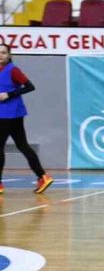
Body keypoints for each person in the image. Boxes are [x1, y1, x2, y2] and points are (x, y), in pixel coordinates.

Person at [0, 44, 53, 194]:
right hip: (7, 114)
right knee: (23, 145)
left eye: (3, 53)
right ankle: (42, 176)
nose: (1, 55)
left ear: (9, 55)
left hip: (9, 115)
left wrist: (9, 94)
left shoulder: (13, 70)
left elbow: (29, 86)